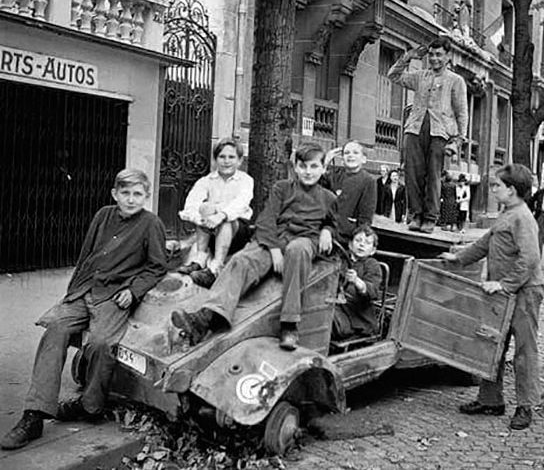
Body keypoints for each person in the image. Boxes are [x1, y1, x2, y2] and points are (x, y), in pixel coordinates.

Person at [0, 169, 167, 451]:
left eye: (137, 194)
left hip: (114, 296)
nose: (131, 199)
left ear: (146, 196)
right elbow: (86, 255)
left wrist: (133, 291)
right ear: (115, 194)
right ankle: (34, 415)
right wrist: (73, 292)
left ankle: (90, 406)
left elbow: (157, 267)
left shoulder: (152, 224)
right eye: (125, 193)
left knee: (102, 344)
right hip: (86, 290)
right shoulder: (103, 215)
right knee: (55, 330)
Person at [170, 141, 337, 351]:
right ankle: (205, 318)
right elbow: (266, 220)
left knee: (297, 250)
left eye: (314, 167)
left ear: (323, 168)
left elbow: (335, 224)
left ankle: (289, 324)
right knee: (242, 260)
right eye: (303, 166)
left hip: (304, 239)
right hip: (274, 238)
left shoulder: (329, 198)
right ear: (295, 167)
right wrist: (274, 250)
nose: (308, 172)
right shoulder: (282, 188)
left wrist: (327, 231)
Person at [440, 163, 543, 431]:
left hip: (524, 293)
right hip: (503, 291)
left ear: (512, 190)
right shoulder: (506, 213)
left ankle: (525, 407)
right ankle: (490, 400)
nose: (493, 190)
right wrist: (458, 258)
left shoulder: (523, 217)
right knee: (492, 342)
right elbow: (486, 243)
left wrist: (504, 285)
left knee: (524, 350)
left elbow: (530, 258)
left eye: (497, 186)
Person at [388, 38, 468, 234]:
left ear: (448, 57)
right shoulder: (420, 76)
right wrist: (408, 57)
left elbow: (462, 112)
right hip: (415, 128)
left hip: (440, 132)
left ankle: (430, 217)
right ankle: (415, 215)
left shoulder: (456, 80)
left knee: (433, 176)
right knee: (412, 174)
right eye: (431, 54)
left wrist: (458, 140)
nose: (434, 58)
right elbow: (393, 75)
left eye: (439, 54)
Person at [175, 138, 253, 287]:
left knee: (226, 220)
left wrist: (221, 215)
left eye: (231, 157)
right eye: (222, 157)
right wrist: (201, 219)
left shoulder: (245, 180)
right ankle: (200, 258)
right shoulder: (206, 181)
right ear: (216, 159)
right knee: (205, 207)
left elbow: (241, 203)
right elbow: (190, 206)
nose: (226, 161)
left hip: (238, 231)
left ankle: (216, 266)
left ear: (239, 161)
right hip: (210, 230)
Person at [332, 225, 382, 340]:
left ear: (373, 250)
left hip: (357, 317)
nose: (362, 245)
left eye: (367, 243)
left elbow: (372, 291)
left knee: (328, 316)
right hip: (336, 305)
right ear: (350, 244)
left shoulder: (372, 265)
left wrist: (357, 281)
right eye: (358, 240)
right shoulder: (340, 260)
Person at [322, 140, 376, 243]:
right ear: (342, 159)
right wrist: (325, 162)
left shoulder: (368, 181)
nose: (351, 155)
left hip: (347, 235)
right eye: (347, 153)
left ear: (364, 159)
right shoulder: (333, 175)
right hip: (326, 230)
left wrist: (359, 239)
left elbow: (366, 216)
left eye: (355, 153)